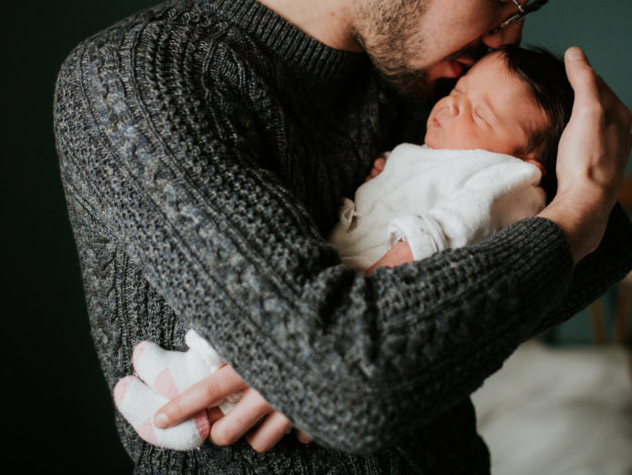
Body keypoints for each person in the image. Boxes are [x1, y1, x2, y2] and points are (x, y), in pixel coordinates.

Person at [53, 0, 632, 472]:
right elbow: (350, 384)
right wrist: (565, 229)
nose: (508, 36)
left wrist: (342, 349)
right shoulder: (137, 78)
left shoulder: (418, 77)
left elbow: (608, 241)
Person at [111, 46, 575, 451]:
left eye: (479, 114)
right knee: (253, 308)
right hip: (337, 264)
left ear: (526, 160)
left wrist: (374, 279)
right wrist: (387, 175)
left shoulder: (511, 178)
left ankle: (188, 400)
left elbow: (456, 227)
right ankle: (189, 391)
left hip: (373, 282)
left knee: (268, 336)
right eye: (459, 92)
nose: (451, 108)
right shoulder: (437, 151)